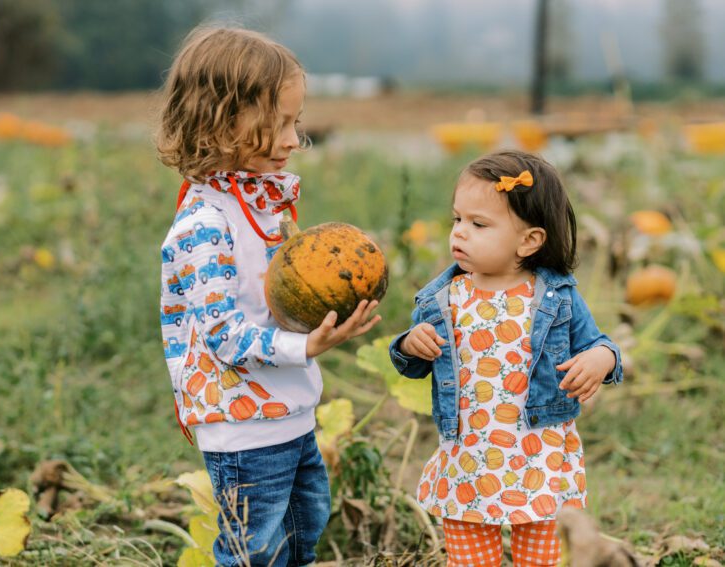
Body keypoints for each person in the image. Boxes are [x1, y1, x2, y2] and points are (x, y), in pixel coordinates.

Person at [156, 25, 380, 567]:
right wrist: (306, 346)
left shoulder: (262, 209)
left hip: (291, 413)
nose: (293, 140)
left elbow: (283, 299)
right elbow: (224, 336)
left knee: (302, 538)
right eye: (278, 124)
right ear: (219, 121)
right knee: (253, 552)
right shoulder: (205, 226)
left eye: (295, 123)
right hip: (241, 427)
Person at [389, 150, 622, 566]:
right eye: (457, 219)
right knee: (470, 558)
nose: (460, 233)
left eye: (478, 224)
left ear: (529, 240)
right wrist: (410, 344)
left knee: (543, 558)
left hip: (540, 456)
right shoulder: (443, 299)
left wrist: (600, 359)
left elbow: (600, 343)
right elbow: (414, 362)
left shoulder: (555, 297)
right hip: (468, 459)